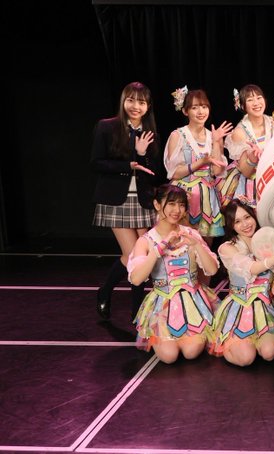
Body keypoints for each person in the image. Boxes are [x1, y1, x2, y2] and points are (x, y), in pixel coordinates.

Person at [91, 81, 163, 320]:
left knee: (142, 255)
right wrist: (128, 165)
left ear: (148, 106)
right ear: (123, 101)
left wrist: (142, 155)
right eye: (131, 100)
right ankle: (108, 293)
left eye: (141, 102)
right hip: (116, 199)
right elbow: (96, 162)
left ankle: (135, 308)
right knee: (133, 254)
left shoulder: (150, 132)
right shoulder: (107, 126)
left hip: (143, 200)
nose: (135, 106)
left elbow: (155, 172)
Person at [128, 184, 220, 364]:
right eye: (171, 204)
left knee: (191, 352)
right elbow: (137, 279)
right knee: (169, 356)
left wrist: (196, 245)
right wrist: (159, 248)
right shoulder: (146, 241)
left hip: (193, 303)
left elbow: (212, 270)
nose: (177, 210)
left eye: (181, 205)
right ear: (157, 205)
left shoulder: (191, 234)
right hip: (163, 305)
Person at [209, 200, 274, 366]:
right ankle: (229, 345)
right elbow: (253, 268)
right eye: (237, 221)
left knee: (269, 353)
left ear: (254, 216)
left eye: (247, 217)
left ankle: (258, 343)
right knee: (246, 358)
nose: (245, 224)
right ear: (231, 226)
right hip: (239, 307)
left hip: (265, 307)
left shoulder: (268, 240)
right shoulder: (227, 248)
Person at [165, 87, 232, 242]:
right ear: (185, 111)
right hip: (184, 195)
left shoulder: (213, 135)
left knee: (205, 247)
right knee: (183, 243)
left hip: (207, 196)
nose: (201, 111)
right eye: (195, 107)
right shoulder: (178, 135)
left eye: (204, 106)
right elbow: (173, 172)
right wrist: (201, 162)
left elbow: (217, 171)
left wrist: (216, 142)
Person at [217, 84, 274, 209]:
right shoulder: (240, 132)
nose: (256, 103)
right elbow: (246, 172)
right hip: (250, 181)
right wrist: (253, 158)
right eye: (250, 100)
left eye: (259, 98)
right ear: (242, 106)